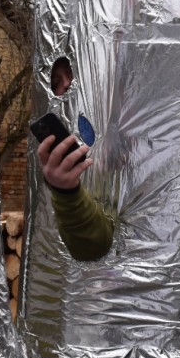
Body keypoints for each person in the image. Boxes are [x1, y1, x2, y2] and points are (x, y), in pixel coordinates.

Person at [35, 56, 114, 261]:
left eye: (72, 73)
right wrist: (66, 192)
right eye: (55, 82)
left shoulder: (118, 144)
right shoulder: (50, 161)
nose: (69, 84)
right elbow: (92, 247)